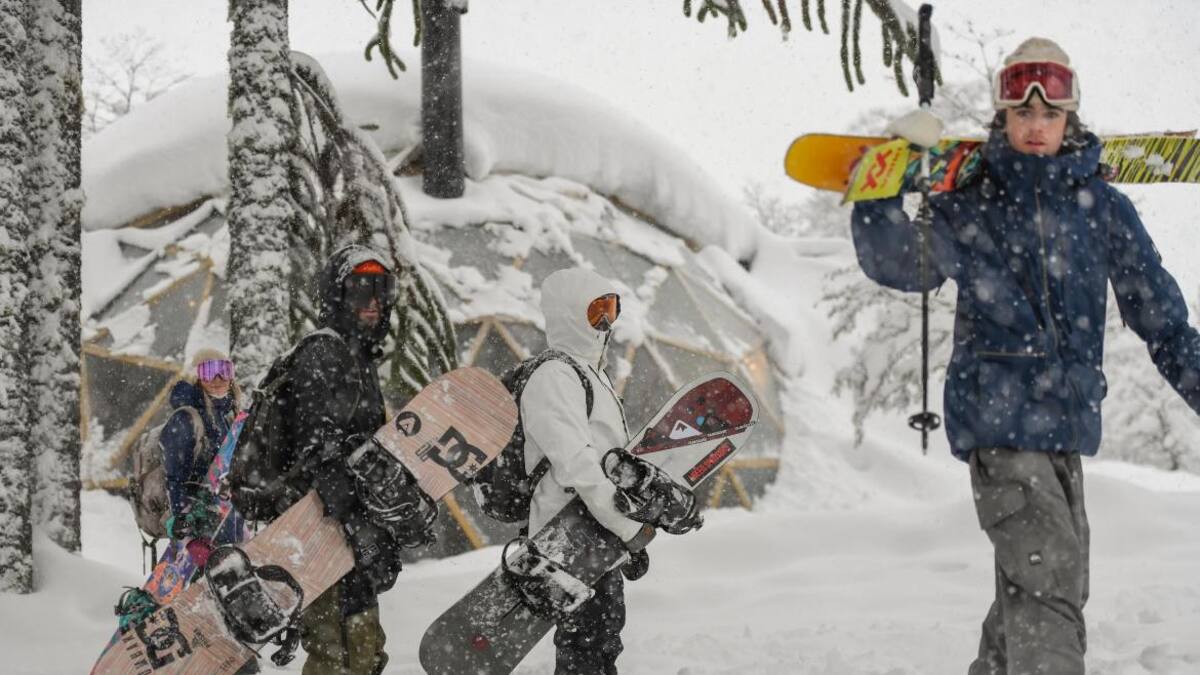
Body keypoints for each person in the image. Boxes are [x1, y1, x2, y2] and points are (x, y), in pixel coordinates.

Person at [850, 38, 1200, 675]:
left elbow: (1164, 321)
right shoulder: (973, 206)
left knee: (1044, 589)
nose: (1036, 127)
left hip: (1065, 428)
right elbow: (898, 262)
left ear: (1070, 118)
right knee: (1050, 581)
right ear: (1002, 119)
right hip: (999, 423)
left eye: (1049, 114)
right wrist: (883, 186)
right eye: (1022, 114)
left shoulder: (1104, 213)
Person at [234, 244, 427, 675]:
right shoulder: (323, 353)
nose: (374, 302)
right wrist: (361, 528)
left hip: (342, 534)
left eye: (382, 289)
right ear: (336, 296)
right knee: (337, 652)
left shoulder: (358, 361)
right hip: (317, 529)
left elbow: (364, 455)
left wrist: (385, 524)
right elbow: (321, 454)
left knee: (363, 650)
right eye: (361, 290)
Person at [520, 267, 659, 675]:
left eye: (611, 309)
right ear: (568, 313)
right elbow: (577, 465)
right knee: (583, 645)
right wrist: (626, 529)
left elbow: (609, 462)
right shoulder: (554, 376)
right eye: (596, 310)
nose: (605, 322)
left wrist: (625, 533)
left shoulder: (591, 377)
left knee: (602, 640)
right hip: (565, 534)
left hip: (594, 533)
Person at [161, 348, 246, 558]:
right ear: (197, 378)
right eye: (209, 371)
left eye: (224, 371)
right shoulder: (186, 418)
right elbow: (174, 475)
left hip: (229, 519)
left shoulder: (231, 415)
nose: (218, 379)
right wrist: (181, 515)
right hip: (199, 526)